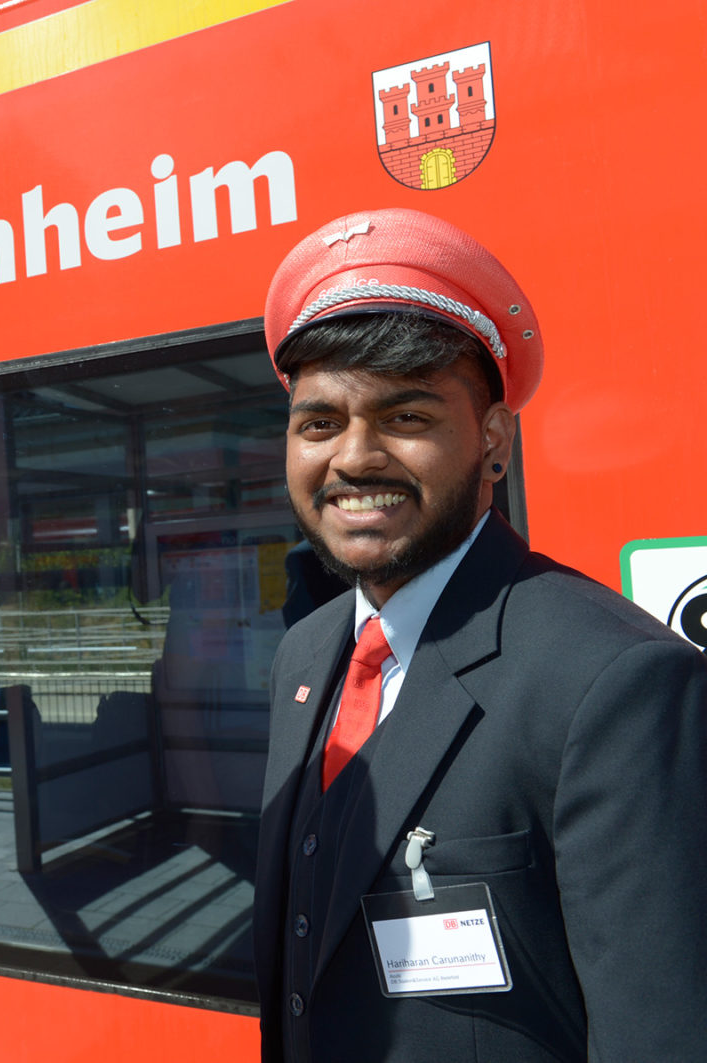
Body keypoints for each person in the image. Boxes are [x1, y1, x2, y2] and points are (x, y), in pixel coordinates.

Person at [251, 207, 707, 1061]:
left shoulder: (615, 682)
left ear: (494, 444)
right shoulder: (304, 657)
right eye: (319, 423)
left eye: (406, 417)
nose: (353, 457)